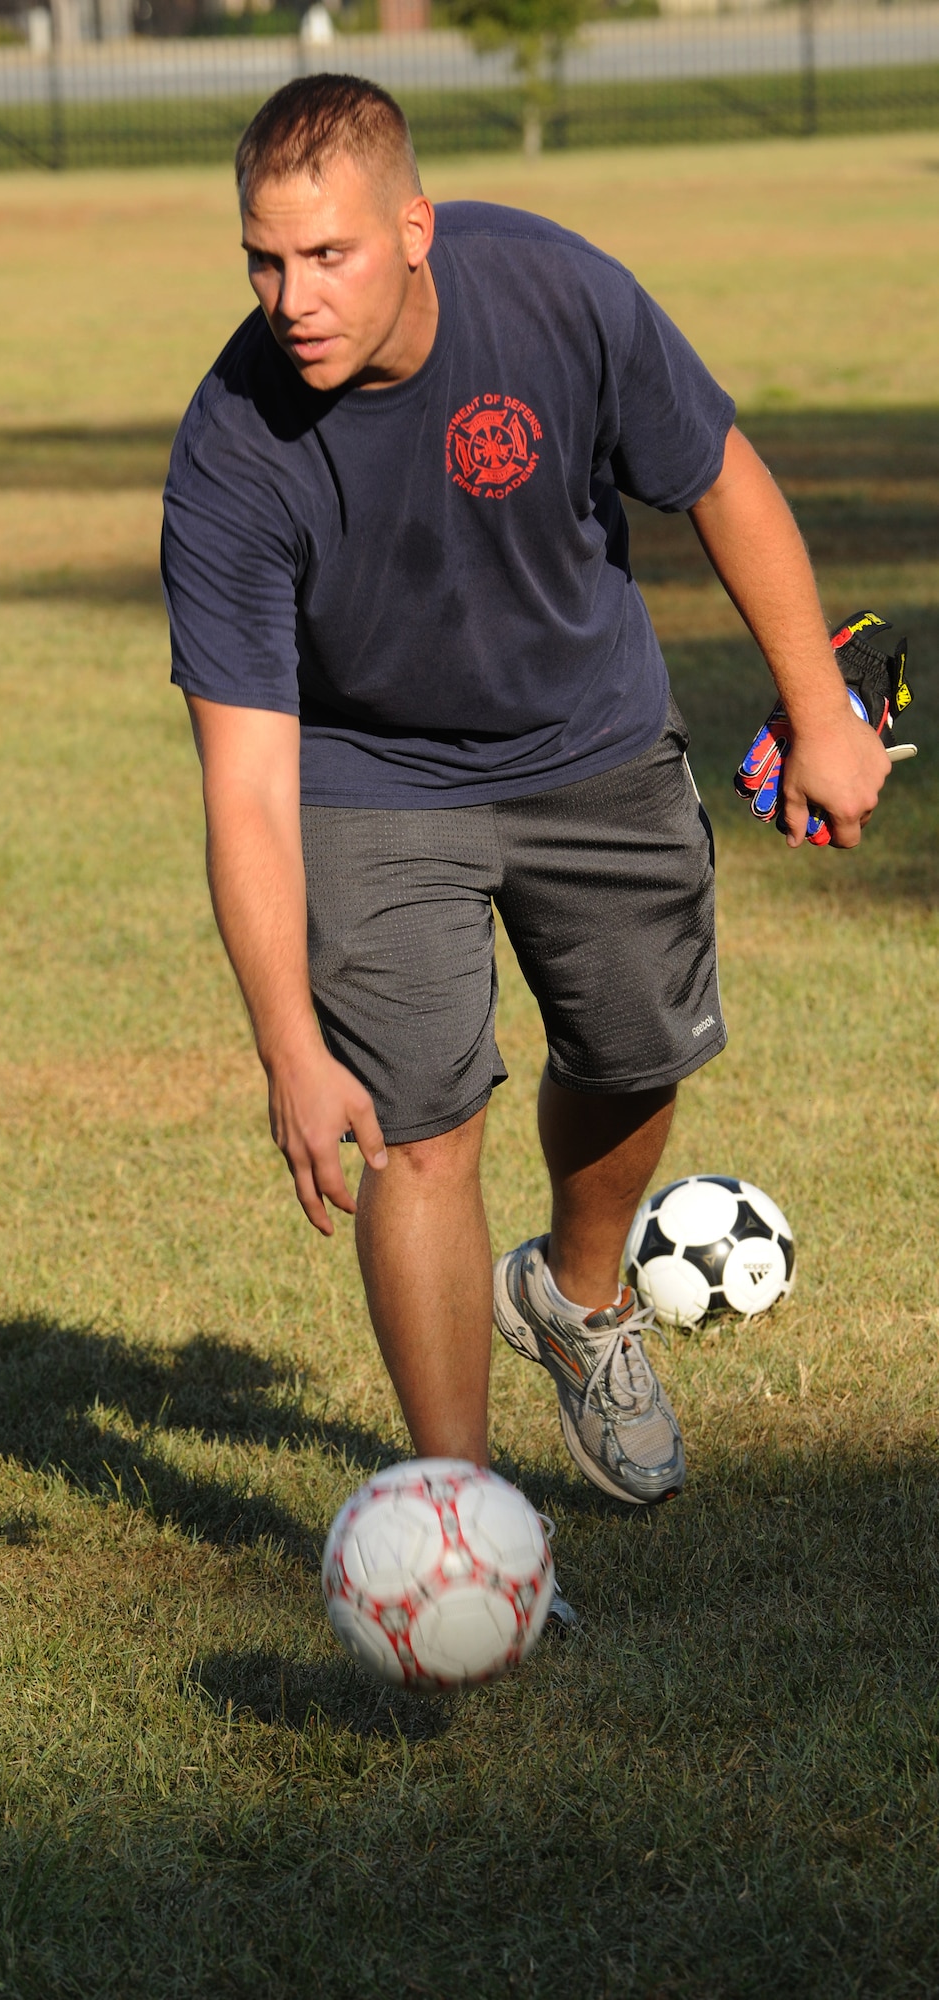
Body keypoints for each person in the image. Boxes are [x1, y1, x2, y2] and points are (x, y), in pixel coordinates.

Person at [160, 75, 889, 1509]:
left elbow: (720, 478)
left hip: (592, 738)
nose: (289, 296)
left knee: (634, 1054)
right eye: (262, 259)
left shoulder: (558, 296)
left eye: (329, 255)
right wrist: (288, 1052)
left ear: (414, 227)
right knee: (417, 1134)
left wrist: (817, 711)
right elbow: (243, 784)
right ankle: (461, 1516)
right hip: (371, 777)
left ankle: (575, 1292)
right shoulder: (233, 448)